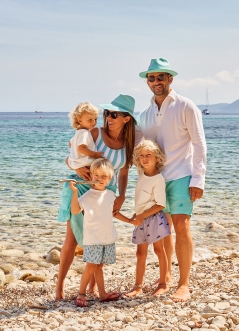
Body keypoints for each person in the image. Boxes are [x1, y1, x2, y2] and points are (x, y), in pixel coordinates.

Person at [135, 58, 207, 302]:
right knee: (162, 232)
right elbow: (135, 146)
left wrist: (198, 179)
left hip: (181, 176)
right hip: (155, 181)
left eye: (160, 77)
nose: (156, 82)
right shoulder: (144, 114)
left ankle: (184, 284)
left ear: (170, 79)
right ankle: (164, 280)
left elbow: (199, 143)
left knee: (181, 227)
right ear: (148, 81)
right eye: (152, 78)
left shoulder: (186, 106)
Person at [55, 94, 136, 301]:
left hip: (108, 192)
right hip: (84, 188)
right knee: (73, 240)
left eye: (114, 114)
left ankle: (91, 289)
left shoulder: (129, 142)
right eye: (107, 113)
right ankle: (60, 287)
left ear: (126, 118)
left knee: (99, 236)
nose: (108, 117)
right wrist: (77, 167)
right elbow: (70, 155)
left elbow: (124, 172)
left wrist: (122, 196)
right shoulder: (94, 132)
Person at [115, 140, 171, 297]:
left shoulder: (158, 178)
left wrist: (142, 215)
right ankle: (137, 286)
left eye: (149, 155)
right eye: (141, 156)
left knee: (159, 250)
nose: (145, 158)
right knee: (140, 254)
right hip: (141, 218)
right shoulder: (141, 174)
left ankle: (163, 283)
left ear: (157, 157)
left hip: (153, 218)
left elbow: (160, 204)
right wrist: (136, 214)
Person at [69, 159, 122, 306]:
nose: (99, 179)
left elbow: (114, 213)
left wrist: (131, 221)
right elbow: (75, 210)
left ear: (110, 178)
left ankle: (103, 293)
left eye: (104, 176)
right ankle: (81, 294)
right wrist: (74, 193)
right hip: (92, 238)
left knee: (99, 266)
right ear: (91, 176)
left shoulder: (110, 195)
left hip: (106, 237)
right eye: (96, 175)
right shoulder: (87, 196)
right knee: (91, 266)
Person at [67, 102, 104, 170]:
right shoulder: (85, 133)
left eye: (95, 119)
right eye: (90, 120)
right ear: (80, 120)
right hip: (86, 164)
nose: (94, 122)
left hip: (77, 164)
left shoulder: (78, 133)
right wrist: (95, 155)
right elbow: (81, 148)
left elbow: (70, 143)